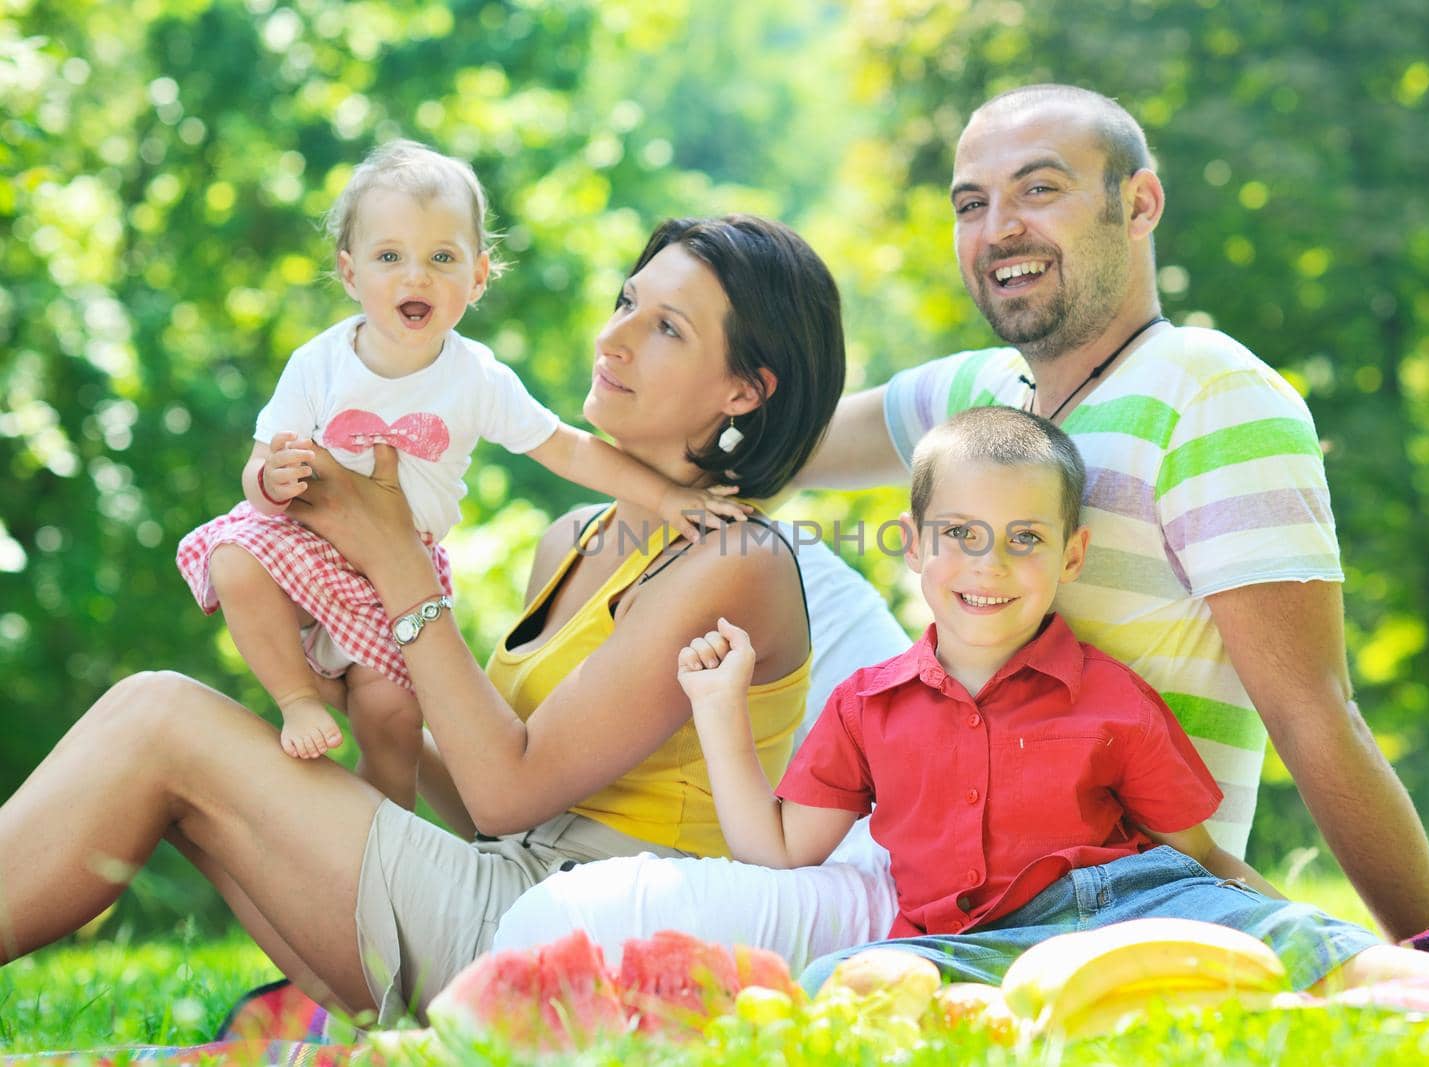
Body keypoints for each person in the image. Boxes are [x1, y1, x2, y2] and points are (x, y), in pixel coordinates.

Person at [493, 81, 1429, 964]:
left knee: (764, 553)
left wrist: (1428, 940)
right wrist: (501, 431)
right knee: (770, 545)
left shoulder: (1215, 395)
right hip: (929, 798)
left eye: (1040, 190)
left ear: (1140, 203)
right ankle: (629, 822)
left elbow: (1312, 711)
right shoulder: (982, 393)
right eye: (971, 203)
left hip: (1094, 866)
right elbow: (738, 427)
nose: (1001, 229)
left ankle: (609, 848)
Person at [0, 214, 844, 1026]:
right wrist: (352, 677)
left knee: (162, 717)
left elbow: (508, 793)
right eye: (626, 302)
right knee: (180, 731)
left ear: (746, 389)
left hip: (575, 947)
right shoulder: (574, 540)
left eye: (667, 328)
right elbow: (493, 796)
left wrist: (396, 560)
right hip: (499, 883)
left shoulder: (737, 562)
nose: (613, 338)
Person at [680, 407, 1429, 996]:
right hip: (976, 944)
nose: (989, 566)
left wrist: (1291, 923)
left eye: (1025, 539)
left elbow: (1199, 860)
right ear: (913, 542)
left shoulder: (1110, 697)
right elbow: (780, 849)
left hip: (1141, 905)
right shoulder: (866, 707)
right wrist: (720, 707)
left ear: (1072, 554)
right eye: (960, 533)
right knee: (839, 982)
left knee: (1312, 946)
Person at [173, 140, 744, 809]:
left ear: (477, 277)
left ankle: (381, 837)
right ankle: (298, 698)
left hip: (398, 575)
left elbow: (567, 448)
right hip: (305, 549)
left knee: (391, 721)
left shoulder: (475, 378)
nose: (416, 277)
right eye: (390, 257)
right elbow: (259, 468)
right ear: (350, 273)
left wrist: (669, 496)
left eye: (441, 258)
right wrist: (271, 479)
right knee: (236, 557)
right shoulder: (321, 362)